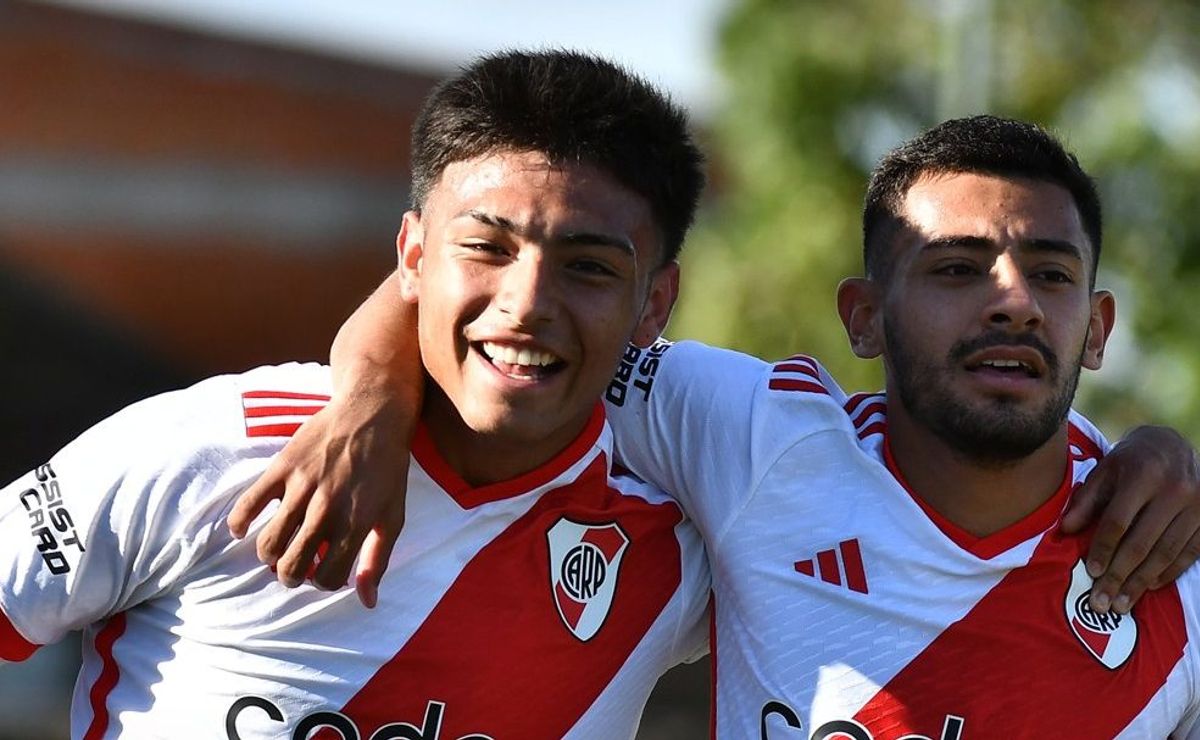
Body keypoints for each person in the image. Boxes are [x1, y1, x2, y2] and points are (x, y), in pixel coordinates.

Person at [241, 115, 1200, 736]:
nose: (1015, 302)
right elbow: (496, 322)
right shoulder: (754, 440)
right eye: (956, 268)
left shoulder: (1174, 558)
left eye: (1051, 274)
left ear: (1096, 329)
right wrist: (369, 397)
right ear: (864, 317)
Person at [0, 50, 714, 738]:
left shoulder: (684, 545)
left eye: (587, 267)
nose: (526, 304)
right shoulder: (214, 449)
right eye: (487, 248)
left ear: (655, 303)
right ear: (413, 255)